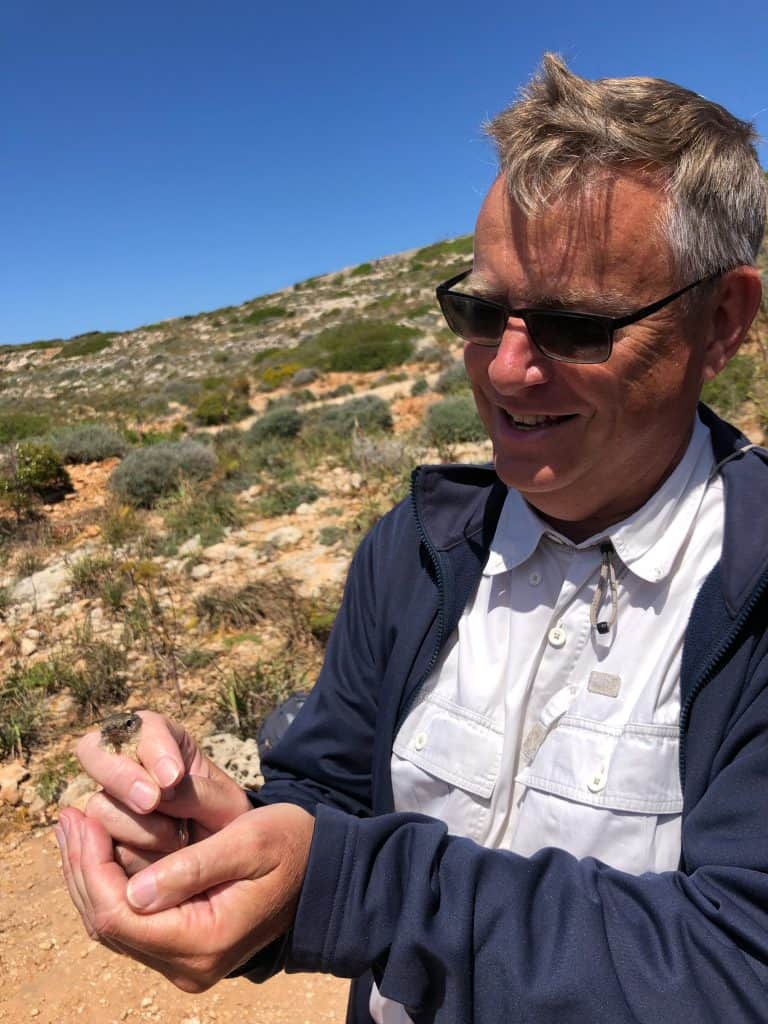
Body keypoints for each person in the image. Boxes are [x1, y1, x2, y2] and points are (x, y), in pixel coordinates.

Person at [56, 54, 768, 1022]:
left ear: (722, 322)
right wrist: (219, 835)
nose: (509, 372)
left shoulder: (753, 588)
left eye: (575, 325)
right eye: (480, 312)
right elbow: (332, 789)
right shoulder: (417, 548)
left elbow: (739, 964)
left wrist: (355, 888)